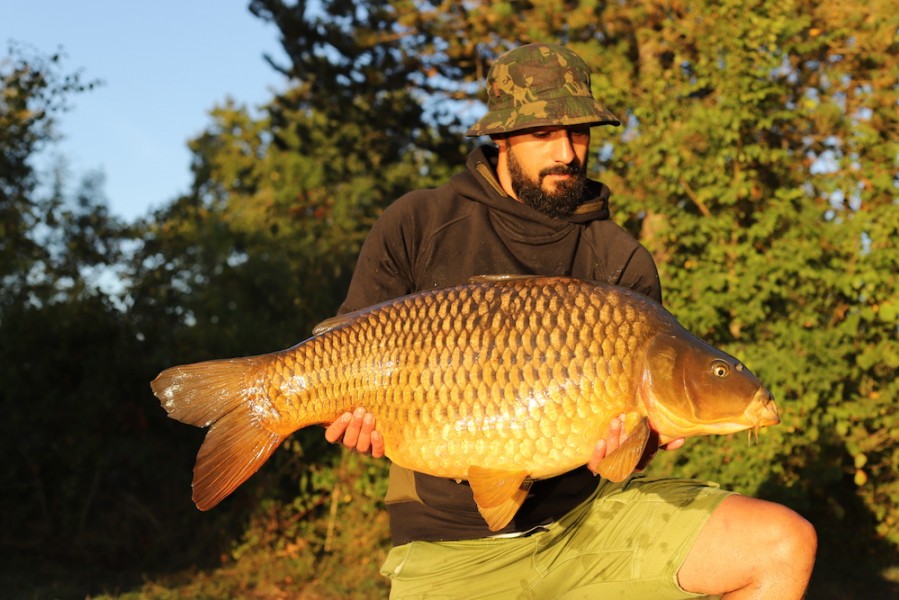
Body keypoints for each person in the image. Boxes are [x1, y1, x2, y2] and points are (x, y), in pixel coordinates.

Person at [325, 43, 816, 599]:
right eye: (543, 133)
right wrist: (356, 421)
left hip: (591, 525)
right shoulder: (419, 223)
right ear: (501, 137)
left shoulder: (620, 258)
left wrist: (642, 444)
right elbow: (347, 356)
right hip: (450, 547)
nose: (566, 152)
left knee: (782, 545)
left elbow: (623, 461)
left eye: (579, 133)